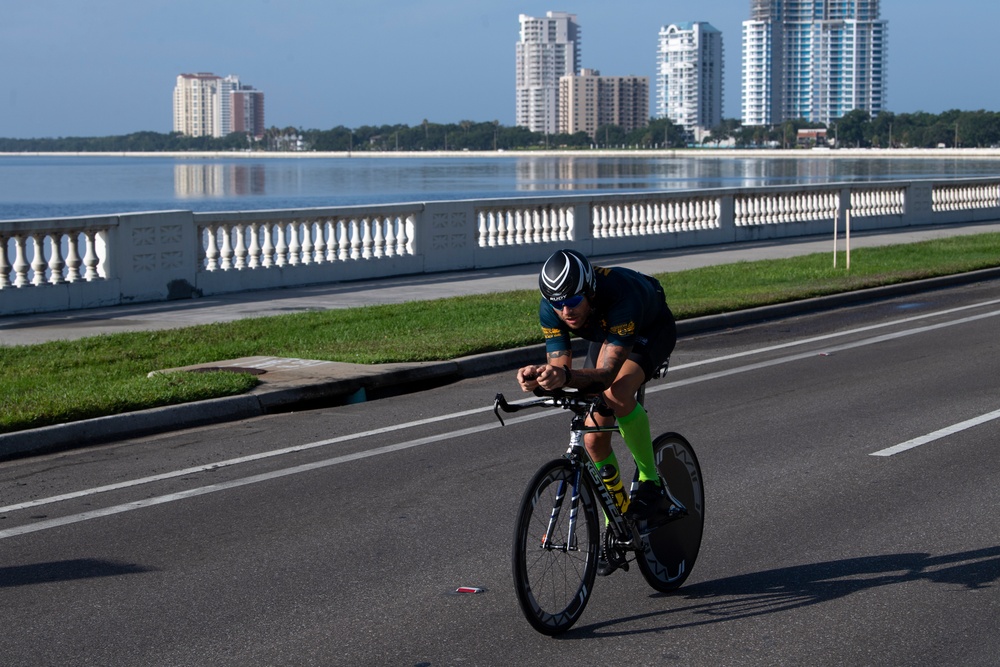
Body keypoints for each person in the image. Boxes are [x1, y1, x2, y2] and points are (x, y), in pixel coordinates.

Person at [516, 249, 677, 572]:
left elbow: (604, 376)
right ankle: (616, 525)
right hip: (607, 334)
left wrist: (564, 377)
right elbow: (560, 369)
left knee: (616, 393)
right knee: (592, 441)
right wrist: (540, 378)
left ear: (588, 290)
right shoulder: (554, 307)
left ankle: (651, 480)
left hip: (649, 327)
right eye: (557, 305)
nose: (565, 311)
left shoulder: (621, 296)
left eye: (572, 303)